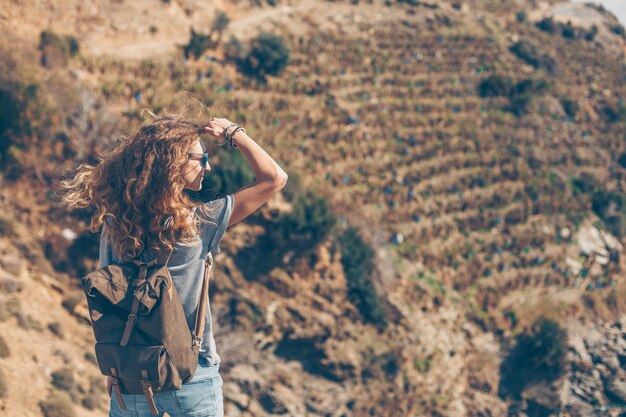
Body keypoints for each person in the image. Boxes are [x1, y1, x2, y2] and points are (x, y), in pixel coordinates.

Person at [61, 111, 288, 417]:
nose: (207, 166)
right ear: (174, 164)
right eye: (200, 158)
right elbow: (274, 178)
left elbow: (106, 304)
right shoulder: (198, 224)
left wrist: (115, 372)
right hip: (191, 378)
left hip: (132, 381)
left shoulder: (114, 226)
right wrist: (234, 133)